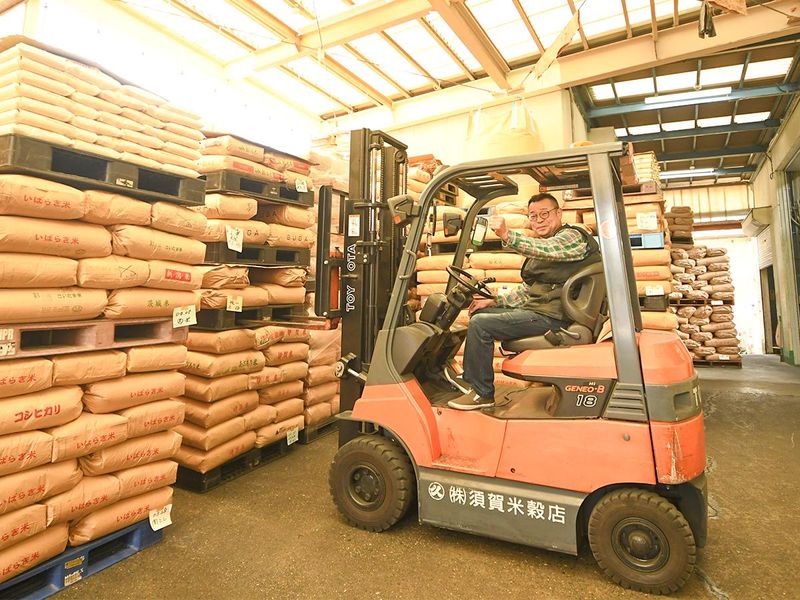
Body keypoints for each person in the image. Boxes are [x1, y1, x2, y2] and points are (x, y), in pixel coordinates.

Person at [448, 192, 602, 411]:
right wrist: (495, 300)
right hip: (545, 311)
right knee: (481, 315)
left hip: (554, 317)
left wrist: (507, 235)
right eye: (533, 216)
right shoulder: (547, 249)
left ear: (559, 213)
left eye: (544, 214)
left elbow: (549, 249)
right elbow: (530, 290)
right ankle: (472, 380)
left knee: (480, 324)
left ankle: (481, 393)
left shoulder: (572, 237)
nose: (539, 220)